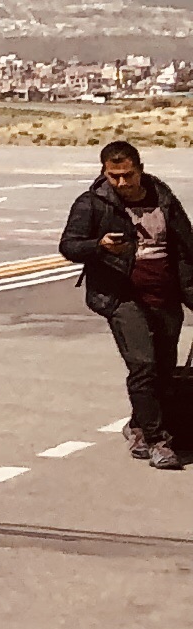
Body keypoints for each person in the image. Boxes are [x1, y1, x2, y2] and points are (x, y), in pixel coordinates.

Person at [62, 138, 186, 471]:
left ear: (140, 171)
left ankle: (139, 424)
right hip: (121, 297)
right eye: (113, 176)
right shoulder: (93, 204)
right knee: (142, 364)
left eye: (127, 175)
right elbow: (69, 246)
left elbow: (186, 248)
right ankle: (158, 440)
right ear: (104, 173)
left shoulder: (164, 198)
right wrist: (99, 246)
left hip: (165, 296)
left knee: (162, 367)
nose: (121, 183)